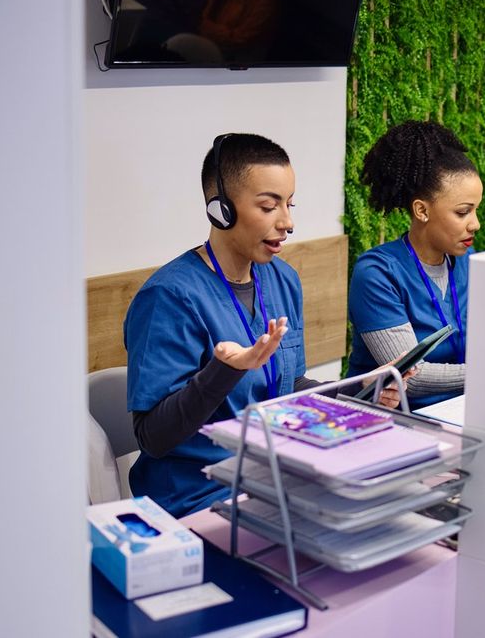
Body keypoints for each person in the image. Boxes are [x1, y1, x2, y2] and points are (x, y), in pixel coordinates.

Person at [124, 133, 402, 518]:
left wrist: (360, 389)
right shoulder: (169, 298)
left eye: (289, 205)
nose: (287, 223)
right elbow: (154, 437)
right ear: (221, 210)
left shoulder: (282, 279)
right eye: (270, 206)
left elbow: (288, 388)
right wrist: (224, 371)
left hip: (275, 480)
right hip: (199, 500)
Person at [346, 121, 482, 410]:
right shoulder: (377, 273)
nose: (475, 224)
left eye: (476, 209)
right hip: (393, 420)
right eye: (463, 212)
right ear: (422, 210)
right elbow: (410, 377)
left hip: (463, 410)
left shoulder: (469, 262)